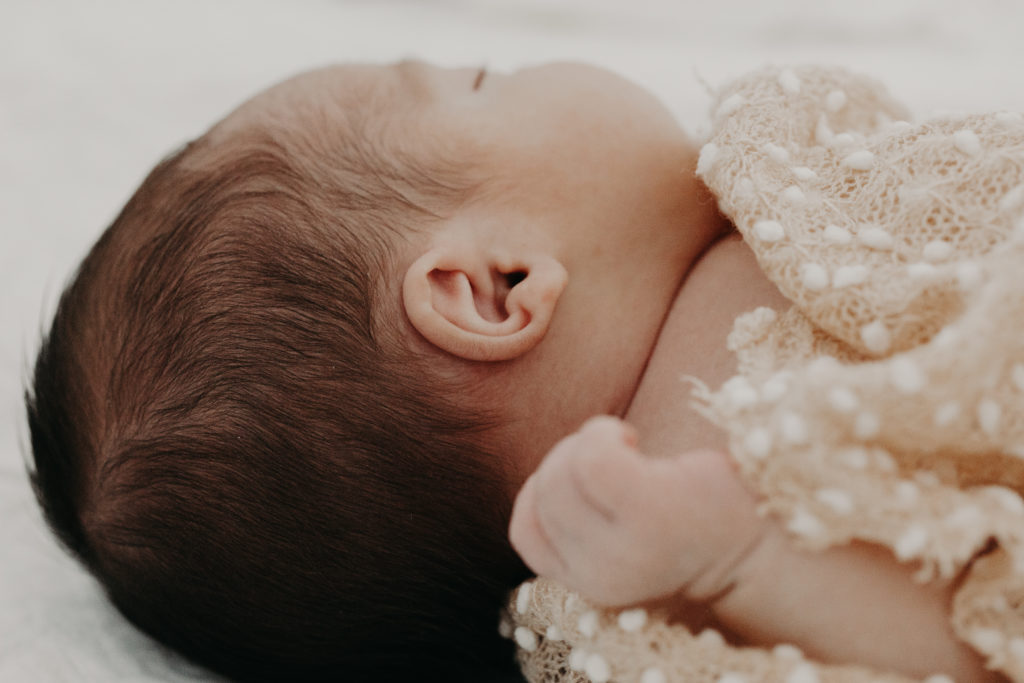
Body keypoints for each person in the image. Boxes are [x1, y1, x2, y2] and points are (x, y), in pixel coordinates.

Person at [24, 61, 998, 683]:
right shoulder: (687, 518)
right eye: (483, 80)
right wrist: (739, 560)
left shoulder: (754, 212)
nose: (522, 70)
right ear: (496, 288)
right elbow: (976, 644)